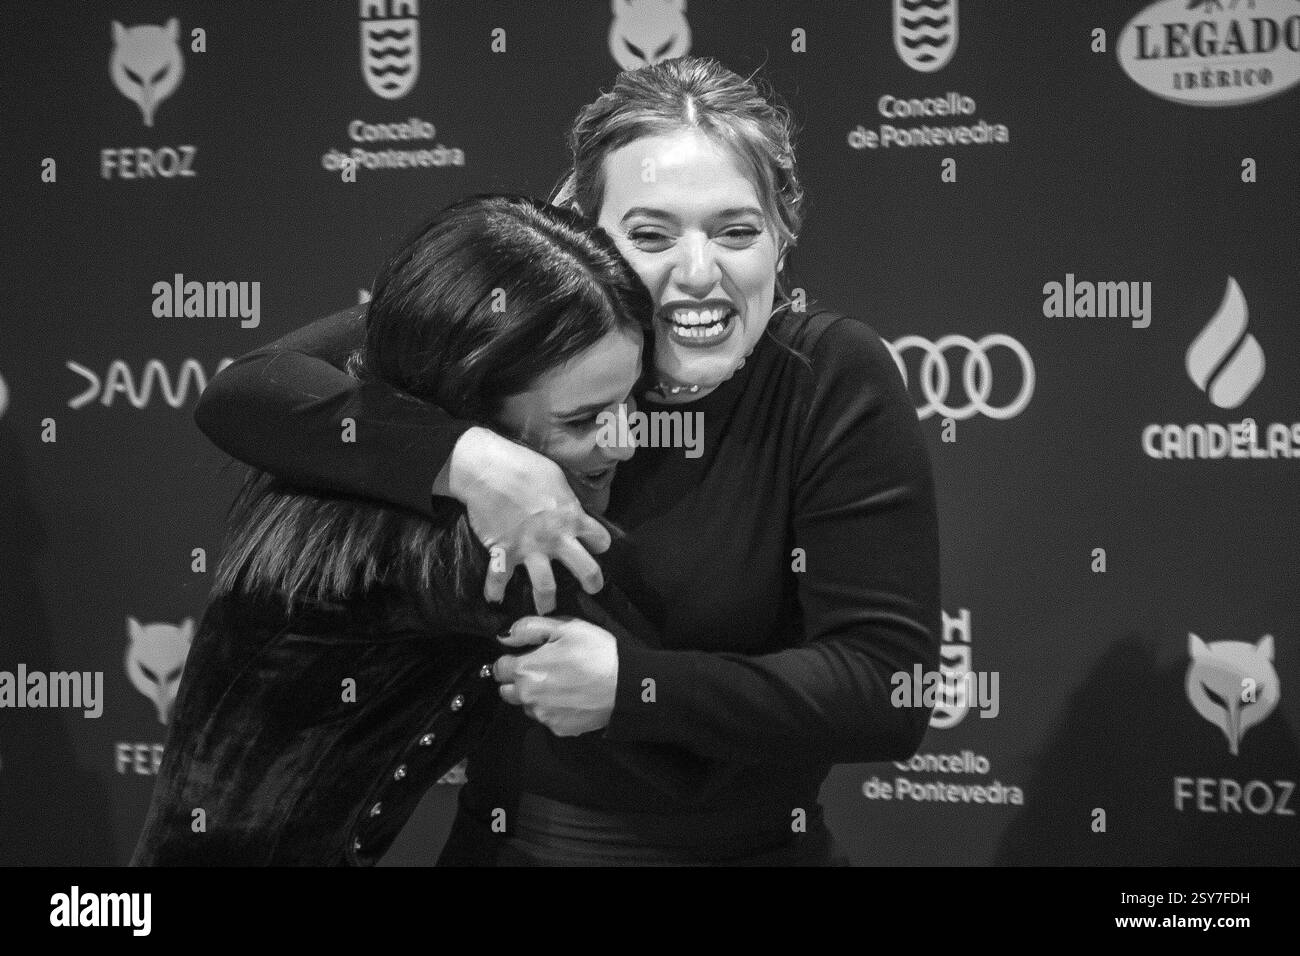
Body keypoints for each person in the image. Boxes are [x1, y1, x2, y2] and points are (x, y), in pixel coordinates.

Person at [193, 56, 942, 866]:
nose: (699, 273)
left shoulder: (829, 374)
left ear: (783, 234)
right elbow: (245, 393)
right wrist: (470, 459)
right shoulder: (517, 326)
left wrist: (635, 689)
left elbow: (882, 690)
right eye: (651, 234)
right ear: (584, 233)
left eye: (736, 230)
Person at [131, 194, 667, 865]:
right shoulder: (460, 551)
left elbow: (414, 332)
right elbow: (702, 626)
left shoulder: (353, 457)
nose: (624, 442)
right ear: (472, 403)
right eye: (584, 420)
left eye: (632, 403)